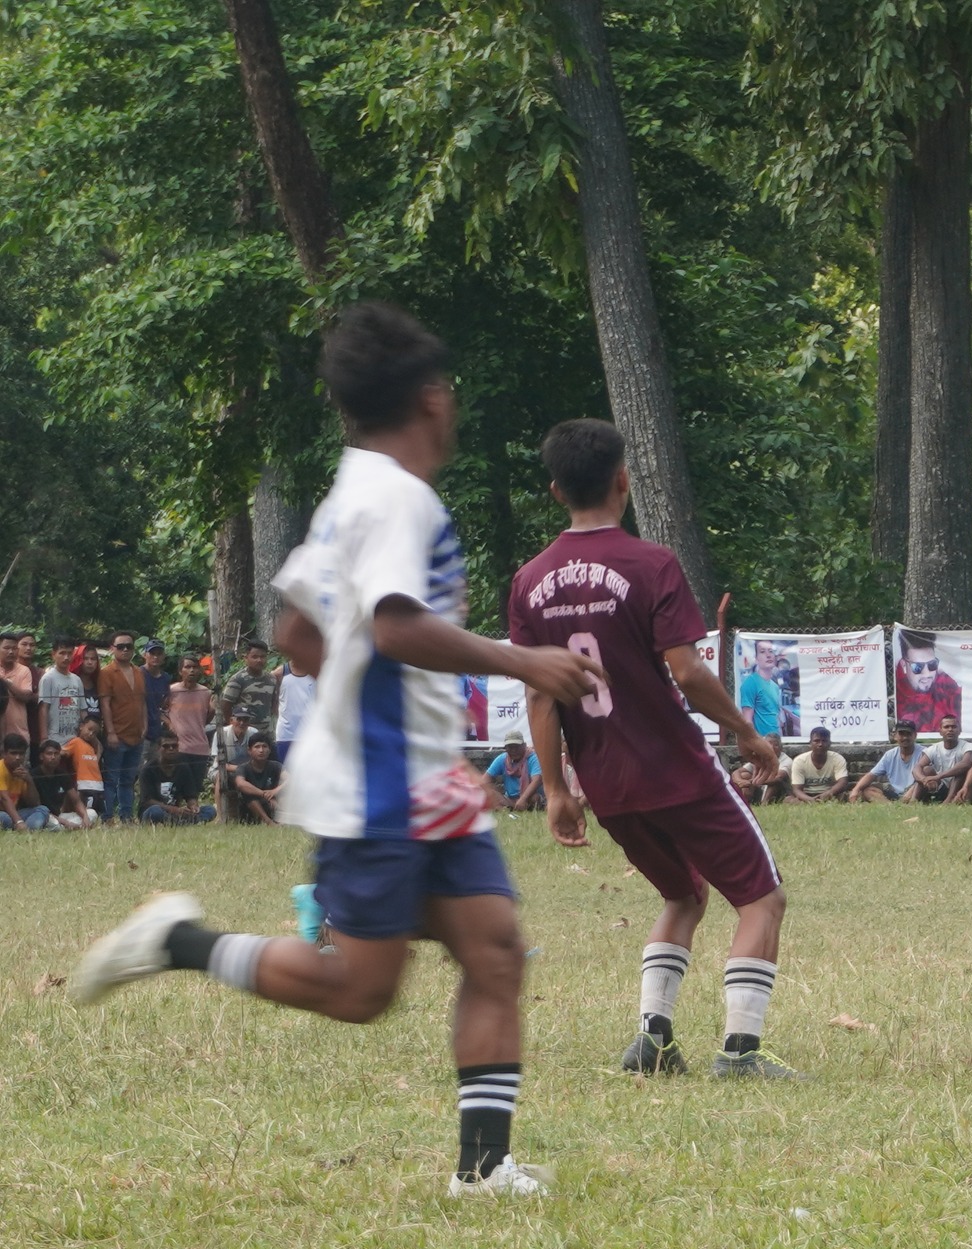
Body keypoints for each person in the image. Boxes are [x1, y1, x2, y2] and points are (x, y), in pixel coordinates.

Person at [69, 301, 604, 1197]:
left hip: (418, 768)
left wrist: (360, 686)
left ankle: (483, 1169)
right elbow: (394, 625)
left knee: (495, 949)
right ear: (431, 399)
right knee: (359, 987)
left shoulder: (350, 491)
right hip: (384, 779)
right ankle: (177, 939)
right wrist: (522, 662)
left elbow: (294, 631)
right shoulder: (399, 497)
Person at [511, 416, 796, 1081]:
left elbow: (539, 697)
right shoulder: (651, 563)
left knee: (682, 894)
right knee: (761, 897)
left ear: (556, 491)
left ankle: (654, 1039)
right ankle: (741, 1052)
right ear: (623, 480)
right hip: (675, 769)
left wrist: (556, 788)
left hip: (608, 782)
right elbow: (689, 672)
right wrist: (749, 734)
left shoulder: (529, 581)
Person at [98, 631, 149, 822]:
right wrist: (110, 732)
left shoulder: (138, 671)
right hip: (117, 734)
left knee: (128, 779)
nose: (125, 650)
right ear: (112, 649)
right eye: (121, 646)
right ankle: (107, 816)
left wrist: (145, 725)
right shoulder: (107, 673)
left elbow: (142, 701)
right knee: (111, 779)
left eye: (129, 646)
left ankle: (127, 815)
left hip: (137, 734)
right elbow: (105, 704)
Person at [163, 655, 213, 796]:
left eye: (195, 667)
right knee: (177, 787)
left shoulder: (205, 693)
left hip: (200, 748)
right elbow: (158, 710)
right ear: (180, 671)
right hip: (178, 747)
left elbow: (205, 719)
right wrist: (169, 723)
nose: (192, 670)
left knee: (195, 788)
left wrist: (213, 710)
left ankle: (193, 815)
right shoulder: (172, 691)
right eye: (187, 667)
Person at [139, 734, 216, 824]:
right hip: (155, 811)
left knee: (210, 810)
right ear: (158, 748)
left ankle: (179, 822)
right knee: (155, 812)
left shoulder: (183, 768)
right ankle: (185, 822)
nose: (171, 749)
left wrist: (193, 806)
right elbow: (148, 801)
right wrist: (173, 809)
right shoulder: (148, 769)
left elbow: (190, 796)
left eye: (174, 746)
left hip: (176, 813)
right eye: (166, 746)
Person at [895, 629, 961, 732]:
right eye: (917, 667)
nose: (926, 674)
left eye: (932, 665)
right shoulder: (896, 694)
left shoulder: (947, 688)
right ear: (904, 665)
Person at [217, 640, 279, 733]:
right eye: (254, 657)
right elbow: (226, 705)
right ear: (246, 658)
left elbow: (274, 705)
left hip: (266, 731)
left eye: (262, 657)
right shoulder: (238, 679)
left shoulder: (272, 679)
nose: (259, 660)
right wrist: (234, 727)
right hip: (245, 731)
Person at [855, 721, 925, 803]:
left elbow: (926, 777)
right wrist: (855, 790)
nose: (905, 738)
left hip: (915, 792)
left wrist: (909, 794)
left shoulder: (924, 753)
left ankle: (899, 804)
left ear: (915, 736)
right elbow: (871, 775)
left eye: (908, 734)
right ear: (895, 736)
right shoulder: (890, 755)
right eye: (901, 734)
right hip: (895, 793)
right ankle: (891, 806)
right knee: (867, 791)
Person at [34, 738, 95, 829]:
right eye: (49, 754)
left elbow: (76, 801)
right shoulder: (34, 775)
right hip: (43, 815)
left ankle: (73, 826)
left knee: (92, 813)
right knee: (53, 824)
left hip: (59, 816)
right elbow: (38, 808)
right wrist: (66, 823)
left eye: (56, 754)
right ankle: (69, 827)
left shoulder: (62, 774)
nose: (53, 757)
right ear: (41, 756)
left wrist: (85, 817)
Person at [739, 639, 790, 742]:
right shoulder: (751, 683)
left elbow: (775, 715)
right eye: (762, 652)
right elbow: (747, 720)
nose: (768, 655)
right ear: (756, 658)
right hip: (761, 742)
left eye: (771, 651)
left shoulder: (775, 686)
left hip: (777, 742)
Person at [918, 715, 972, 803]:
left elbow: (966, 763)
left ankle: (948, 801)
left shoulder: (967, 746)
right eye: (946, 727)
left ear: (959, 731)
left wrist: (938, 776)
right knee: (926, 769)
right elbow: (917, 767)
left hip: (959, 787)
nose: (950, 730)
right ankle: (913, 800)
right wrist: (923, 779)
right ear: (940, 731)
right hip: (941, 787)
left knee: (960, 771)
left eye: (954, 727)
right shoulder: (934, 748)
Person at [784, 727, 850, 802]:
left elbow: (843, 782)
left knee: (847, 796)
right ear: (810, 743)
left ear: (829, 743)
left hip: (831, 794)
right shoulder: (799, 761)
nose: (820, 744)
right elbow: (797, 789)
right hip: (806, 795)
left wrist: (827, 794)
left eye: (824, 741)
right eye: (816, 741)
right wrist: (811, 800)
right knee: (789, 800)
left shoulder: (838, 759)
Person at [214, 707, 256, 822]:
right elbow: (220, 763)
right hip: (224, 769)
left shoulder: (254, 733)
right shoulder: (221, 733)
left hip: (247, 769)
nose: (242, 723)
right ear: (231, 720)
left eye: (245, 719)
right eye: (239, 719)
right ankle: (219, 815)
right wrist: (241, 768)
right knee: (220, 776)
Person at [233, 734, 287, 824]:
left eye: (264, 747)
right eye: (257, 747)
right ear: (249, 751)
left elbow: (290, 779)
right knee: (248, 795)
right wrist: (264, 794)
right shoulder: (243, 768)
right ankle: (268, 822)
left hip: (272, 803)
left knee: (285, 792)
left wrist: (275, 791)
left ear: (269, 750)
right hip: (250, 807)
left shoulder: (276, 765)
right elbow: (240, 784)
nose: (261, 750)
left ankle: (284, 818)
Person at [38, 642, 84, 745]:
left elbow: (82, 709)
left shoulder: (77, 680)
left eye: (69, 653)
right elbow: (43, 708)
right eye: (62, 653)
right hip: (54, 738)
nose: (66, 657)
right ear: (53, 654)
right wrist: (44, 737)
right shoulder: (48, 678)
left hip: (75, 738)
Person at [64, 715, 107, 820]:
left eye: (95, 733)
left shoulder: (92, 747)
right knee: (86, 809)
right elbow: (63, 752)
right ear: (81, 726)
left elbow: (94, 762)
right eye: (89, 729)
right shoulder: (76, 742)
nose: (91, 734)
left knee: (98, 811)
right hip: (84, 784)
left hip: (98, 784)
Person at [0, 734, 47, 830]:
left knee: (43, 809)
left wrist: (29, 781)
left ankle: (27, 829)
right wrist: (19, 821)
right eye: (13, 753)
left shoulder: (23, 771)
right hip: (3, 813)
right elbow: (4, 798)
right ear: (4, 754)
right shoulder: (1, 769)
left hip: (14, 813)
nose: (17, 757)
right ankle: (21, 827)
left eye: (21, 754)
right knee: (5, 818)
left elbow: (34, 803)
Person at [274, 656, 315, 764]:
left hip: (310, 733)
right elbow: (273, 699)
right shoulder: (280, 673)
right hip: (286, 733)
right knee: (285, 772)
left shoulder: (316, 672)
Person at [485, 737, 543, 812]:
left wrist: (523, 799)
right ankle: (508, 808)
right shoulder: (502, 759)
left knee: (535, 798)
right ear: (506, 748)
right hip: (509, 798)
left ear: (524, 746)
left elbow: (537, 780)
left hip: (529, 797)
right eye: (510, 747)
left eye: (517, 747)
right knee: (488, 793)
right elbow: (484, 780)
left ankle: (511, 808)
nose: (514, 750)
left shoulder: (532, 758)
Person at [0, 633, 34, 747]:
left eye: (14, 648)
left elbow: (26, 697)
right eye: (6, 648)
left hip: (19, 735)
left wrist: (4, 681)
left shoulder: (24, 671)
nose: (11, 652)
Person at [141, 639, 173, 746]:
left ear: (164, 656)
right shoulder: (137, 674)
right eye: (152, 653)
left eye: (159, 654)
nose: (155, 657)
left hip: (157, 731)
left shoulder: (166, 678)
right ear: (145, 655)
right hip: (139, 730)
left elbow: (163, 705)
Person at [73, 642, 103, 731]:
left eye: (93, 659)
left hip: (96, 733)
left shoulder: (99, 683)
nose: (90, 662)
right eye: (85, 659)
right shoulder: (72, 683)